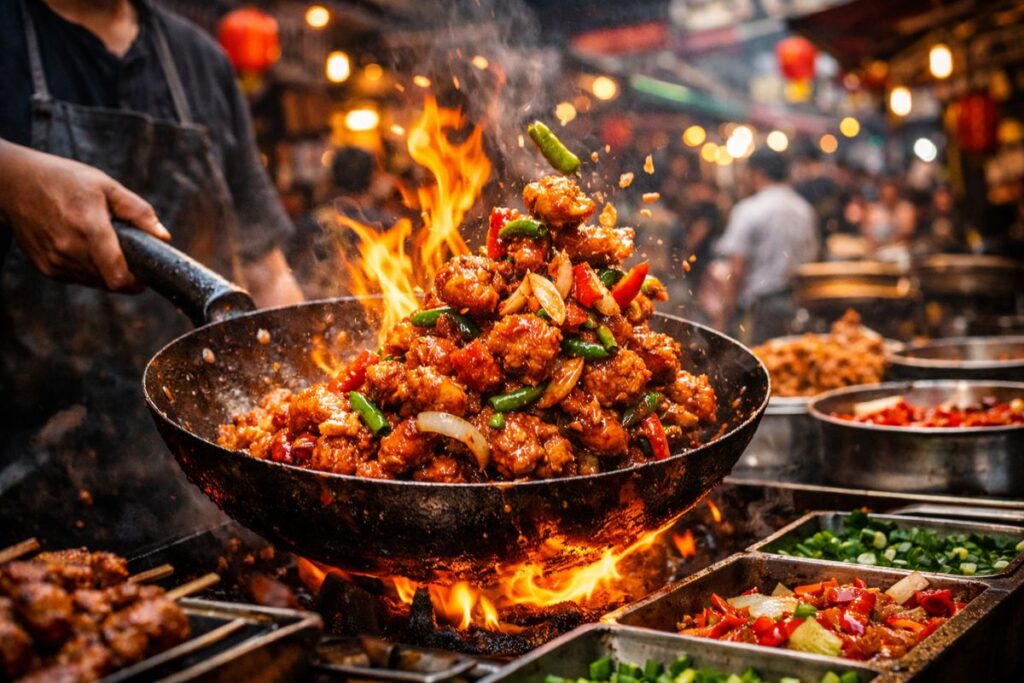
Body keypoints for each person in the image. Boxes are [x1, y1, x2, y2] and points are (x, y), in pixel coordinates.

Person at [0, 0, 303, 549]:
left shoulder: (201, 60)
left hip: (192, 483)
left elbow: (264, 264)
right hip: (26, 470)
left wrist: (304, 394)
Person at [709, 148, 818, 343]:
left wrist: (721, 322)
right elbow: (813, 259)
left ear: (756, 173)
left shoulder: (749, 210)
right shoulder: (804, 210)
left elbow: (737, 271)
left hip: (761, 313)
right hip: (796, 309)